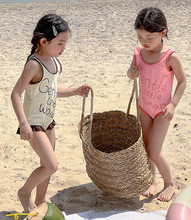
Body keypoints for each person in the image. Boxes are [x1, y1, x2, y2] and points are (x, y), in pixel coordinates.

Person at [11, 14, 90, 213]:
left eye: (65, 43)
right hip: (34, 123)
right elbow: (16, 94)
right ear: (44, 41)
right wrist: (23, 123)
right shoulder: (34, 64)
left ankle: (41, 202)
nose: (64, 47)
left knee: (46, 165)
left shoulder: (54, 62)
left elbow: (51, 90)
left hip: (48, 123)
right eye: (60, 43)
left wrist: (74, 91)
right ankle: (24, 193)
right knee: (51, 165)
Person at [127, 7, 186, 202]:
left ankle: (169, 183)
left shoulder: (170, 57)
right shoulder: (138, 53)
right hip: (144, 107)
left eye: (149, 38)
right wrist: (131, 72)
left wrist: (173, 105)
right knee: (145, 146)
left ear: (163, 33)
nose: (144, 42)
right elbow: (131, 72)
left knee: (155, 150)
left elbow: (182, 82)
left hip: (162, 111)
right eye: (140, 37)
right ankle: (152, 181)